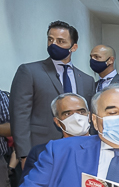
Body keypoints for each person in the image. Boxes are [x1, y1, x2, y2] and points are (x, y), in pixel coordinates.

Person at [10, 20, 95, 166]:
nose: (53, 44)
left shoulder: (87, 80)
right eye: (50, 39)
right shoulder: (29, 72)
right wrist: (24, 155)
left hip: (79, 152)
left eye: (61, 41)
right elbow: (19, 115)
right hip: (41, 151)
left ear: (73, 47)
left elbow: (90, 118)